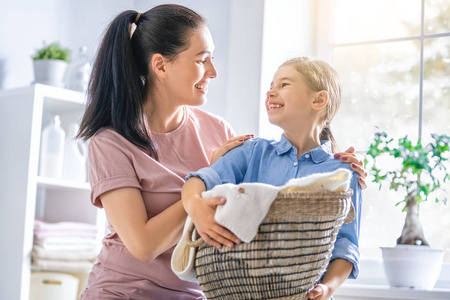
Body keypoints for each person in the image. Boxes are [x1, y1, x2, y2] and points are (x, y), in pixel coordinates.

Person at [76, 4, 366, 299]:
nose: (213, 72)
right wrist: (199, 191)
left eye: (212, 58)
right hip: (122, 292)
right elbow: (144, 245)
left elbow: (264, 198)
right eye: (202, 60)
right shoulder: (110, 142)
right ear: (161, 66)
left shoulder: (218, 131)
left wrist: (334, 173)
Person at [181, 57, 363, 300]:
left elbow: (346, 245)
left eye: (284, 84)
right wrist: (196, 208)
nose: (270, 92)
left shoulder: (343, 173)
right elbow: (200, 180)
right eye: (271, 85)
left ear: (318, 99)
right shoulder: (251, 152)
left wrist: (327, 288)